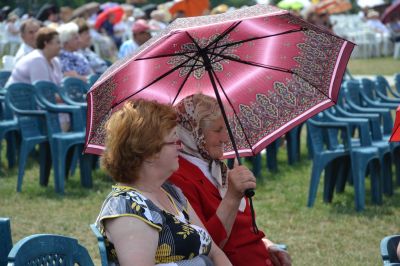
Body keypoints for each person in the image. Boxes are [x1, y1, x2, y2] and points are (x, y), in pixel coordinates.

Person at [96, 99, 232, 266]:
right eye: (174, 141)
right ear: (150, 151)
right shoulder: (127, 207)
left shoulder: (172, 193)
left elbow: (215, 252)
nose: (180, 147)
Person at [169, 94, 292, 266]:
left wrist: (267, 245)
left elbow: (240, 229)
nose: (226, 138)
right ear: (193, 131)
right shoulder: (177, 177)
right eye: (217, 130)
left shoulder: (215, 166)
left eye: (225, 129)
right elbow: (204, 248)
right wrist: (232, 197)